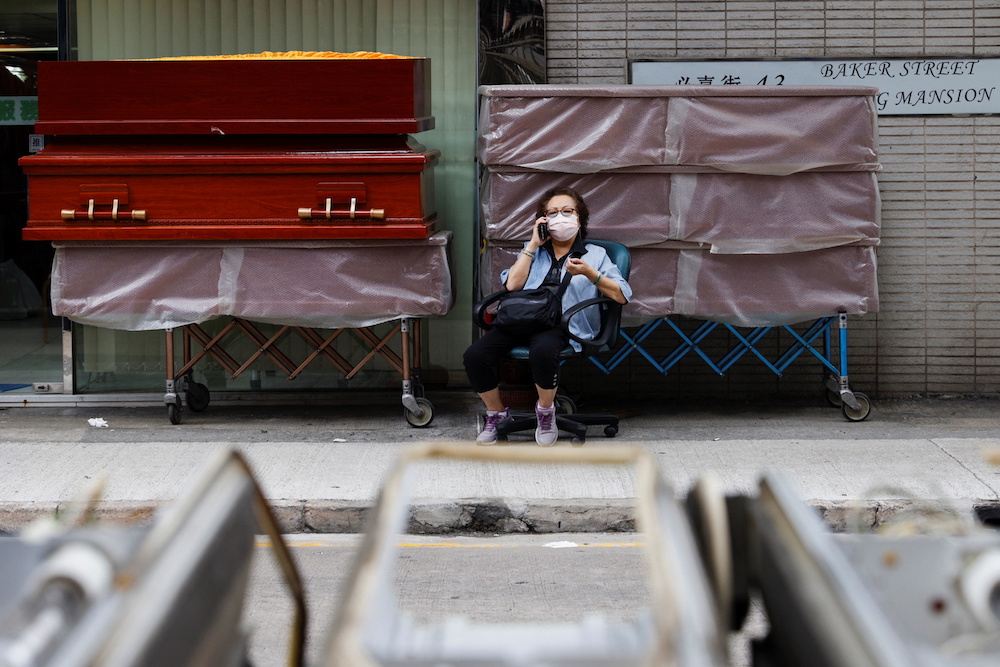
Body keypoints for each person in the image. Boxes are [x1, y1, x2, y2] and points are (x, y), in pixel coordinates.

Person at [464, 187, 632, 446]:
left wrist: (591, 274)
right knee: (475, 356)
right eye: (552, 213)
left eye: (567, 211)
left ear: (580, 218)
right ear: (543, 221)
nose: (560, 217)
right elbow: (512, 286)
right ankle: (496, 414)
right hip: (522, 320)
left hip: (562, 324)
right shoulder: (534, 251)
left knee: (543, 351)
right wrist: (532, 245)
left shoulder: (595, 255)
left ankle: (545, 412)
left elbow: (621, 295)